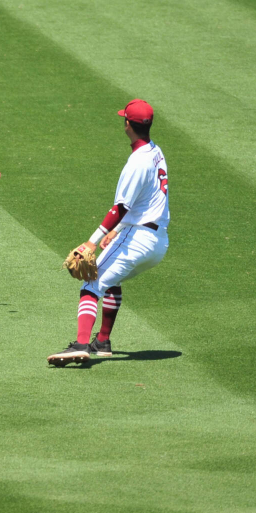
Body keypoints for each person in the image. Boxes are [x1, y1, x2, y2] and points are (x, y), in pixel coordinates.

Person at [48, 99, 169, 364]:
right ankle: (102, 341)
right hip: (158, 242)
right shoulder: (156, 151)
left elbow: (120, 208)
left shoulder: (137, 162)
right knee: (111, 280)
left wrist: (91, 243)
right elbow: (146, 201)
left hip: (137, 238)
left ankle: (80, 344)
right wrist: (118, 231)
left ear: (128, 124)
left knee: (90, 285)